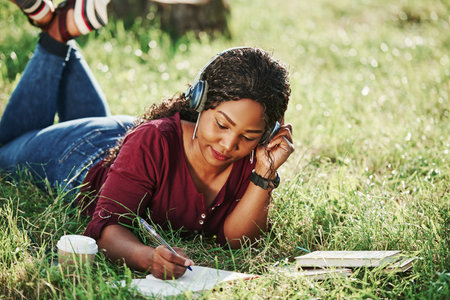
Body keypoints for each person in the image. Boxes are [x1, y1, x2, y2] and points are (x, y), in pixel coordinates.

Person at [0, 3, 294, 281]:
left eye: (248, 136)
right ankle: (54, 36)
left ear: (267, 134)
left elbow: (239, 242)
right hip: (84, 153)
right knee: (3, 153)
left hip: (129, 146)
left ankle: (61, 31)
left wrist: (264, 173)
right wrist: (147, 257)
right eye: (221, 124)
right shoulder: (154, 140)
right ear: (200, 101)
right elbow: (106, 229)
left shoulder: (253, 161)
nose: (229, 144)